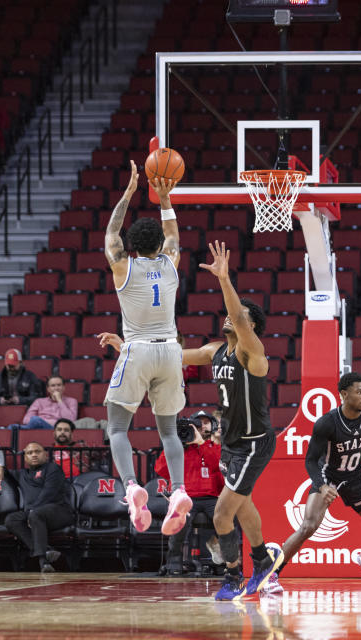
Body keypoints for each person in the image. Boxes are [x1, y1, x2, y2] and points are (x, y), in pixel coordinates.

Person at [101, 241, 283, 600]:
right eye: (232, 312)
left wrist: (225, 280)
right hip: (231, 442)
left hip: (253, 441)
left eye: (240, 315)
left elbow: (239, 314)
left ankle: (234, 576)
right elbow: (171, 356)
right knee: (244, 506)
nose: (231, 316)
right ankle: (263, 561)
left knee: (221, 515)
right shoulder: (215, 350)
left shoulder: (253, 351)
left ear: (251, 326)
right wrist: (128, 349)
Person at [101, 161, 192, 538]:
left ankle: (132, 487)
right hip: (171, 350)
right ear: (158, 245)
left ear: (132, 247)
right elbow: (172, 230)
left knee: (117, 427)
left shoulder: (123, 267)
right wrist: (164, 196)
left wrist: (128, 194)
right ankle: (179, 490)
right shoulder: (171, 263)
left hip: (137, 348)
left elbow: (111, 234)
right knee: (169, 431)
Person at [268, 372, 361, 591]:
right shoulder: (326, 423)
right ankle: (272, 573)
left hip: (356, 478)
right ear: (344, 394)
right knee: (308, 527)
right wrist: (321, 486)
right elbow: (311, 460)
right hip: (329, 478)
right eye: (359, 392)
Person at [155, 415, 224, 575]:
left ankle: (228, 562)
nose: (192, 433)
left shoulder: (211, 446)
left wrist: (200, 442)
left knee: (225, 521)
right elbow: (161, 470)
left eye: (196, 429)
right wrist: (174, 444)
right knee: (178, 522)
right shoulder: (178, 448)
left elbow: (216, 465)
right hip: (186, 496)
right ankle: (173, 563)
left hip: (211, 497)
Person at [3, 441, 74, 573]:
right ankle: (46, 550)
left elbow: (49, 493)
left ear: (45, 455)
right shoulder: (22, 474)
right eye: (29, 453)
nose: (34, 455)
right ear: (25, 458)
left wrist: (31, 511)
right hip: (34, 513)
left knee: (36, 514)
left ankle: (43, 562)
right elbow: (6, 473)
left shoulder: (53, 468)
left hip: (59, 511)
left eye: (37, 451)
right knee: (11, 519)